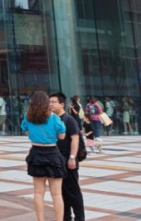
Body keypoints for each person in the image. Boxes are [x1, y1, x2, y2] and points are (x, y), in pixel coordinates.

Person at [22, 91, 66, 221]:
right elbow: (62, 136)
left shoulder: (28, 117)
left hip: (36, 153)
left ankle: (40, 220)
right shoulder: (54, 118)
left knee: (38, 193)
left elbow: (25, 130)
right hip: (52, 153)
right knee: (57, 194)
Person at [50, 93, 84, 221]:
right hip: (57, 161)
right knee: (62, 192)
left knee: (73, 191)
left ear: (62, 104)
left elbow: (75, 138)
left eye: (53, 102)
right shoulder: (53, 119)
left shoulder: (68, 119)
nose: (50, 104)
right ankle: (66, 217)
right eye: (49, 102)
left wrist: (72, 157)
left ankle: (79, 218)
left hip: (69, 160)